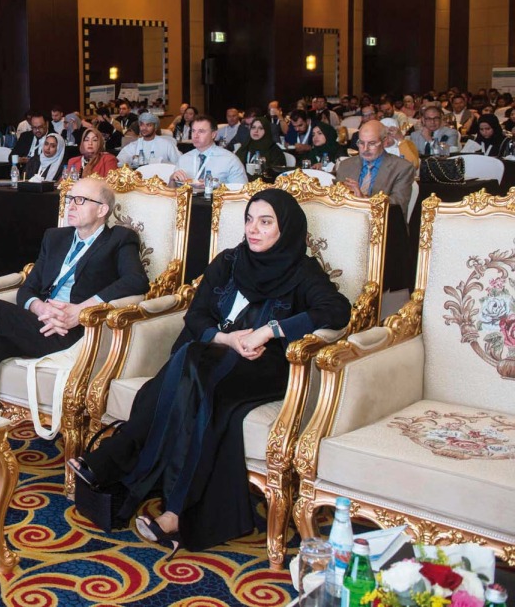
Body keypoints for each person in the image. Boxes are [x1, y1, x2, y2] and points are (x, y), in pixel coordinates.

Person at [69, 189, 351, 554]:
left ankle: (117, 461)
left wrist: (271, 330)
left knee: (189, 363)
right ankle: (174, 513)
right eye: (250, 220)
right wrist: (226, 339)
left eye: (266, 222)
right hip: (210, 357)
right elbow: (197, 314)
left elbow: (337, 310)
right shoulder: (230, 261)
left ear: (287, 229)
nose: (254, 229)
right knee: (197, 385)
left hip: (260, 368)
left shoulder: (302, 271)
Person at [0, 176, 148, 488]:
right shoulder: (56, 237)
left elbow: (136, 282)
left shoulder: (119, 240)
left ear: (102, 210)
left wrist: (81, 310)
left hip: (74, 331)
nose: (70, 205)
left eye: (79, 200)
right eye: (70, 199)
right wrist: (39, 308)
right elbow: (29, 289)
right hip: (42, 321)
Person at [336, 120, 415, 209]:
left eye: (372, 143)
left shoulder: (402, 168)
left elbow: (398, 205)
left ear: (384, 142)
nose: (365, 149)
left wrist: (363, 199)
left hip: (384, 221)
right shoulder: (345, 165)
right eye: (361, 143)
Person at [171, 115, 248, 187]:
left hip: (218, 200)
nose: (195, 136)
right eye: (193, 131)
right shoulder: (184, 159)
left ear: (213, 134)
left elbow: (242, 191)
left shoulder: (230, 160)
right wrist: (172, 179)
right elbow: (171, 192)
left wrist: (215, 186)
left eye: (201, 131)